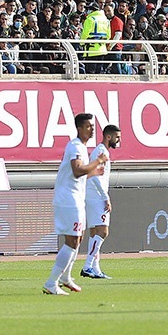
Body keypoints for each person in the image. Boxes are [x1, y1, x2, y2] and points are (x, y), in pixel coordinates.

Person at [43, 112, 107, 295]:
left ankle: (65, 277)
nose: (92, 129)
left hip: (74, 198)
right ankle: (51, 282)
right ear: (79, 128)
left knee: (77, 239)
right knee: (72, 242)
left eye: (92, 126)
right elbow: (77, 170)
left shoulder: (80, 148)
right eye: (88, 126)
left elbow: (77, 175)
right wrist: (97, 162)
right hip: (69, 200)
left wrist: (92, 173)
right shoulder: (75, 146)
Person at [81, 123, 121, 279]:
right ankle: (87, 266)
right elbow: (95, 175)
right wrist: (105, 197)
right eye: (117, 137)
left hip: (92, 195)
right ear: (108, 137)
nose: (118, 141)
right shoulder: (102, 151)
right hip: (97, 196)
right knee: (103, 232)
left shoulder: (100, 150)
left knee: (94, 234)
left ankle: (95, 269)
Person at [79, 0, 110, 74]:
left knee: (90, 72)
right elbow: (108, 36)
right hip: (102, 49)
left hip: (91, 50)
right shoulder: (106, 20)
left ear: (92, 10)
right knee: (98, 72)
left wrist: (81, 43)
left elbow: (85, 34)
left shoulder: (90, 19)